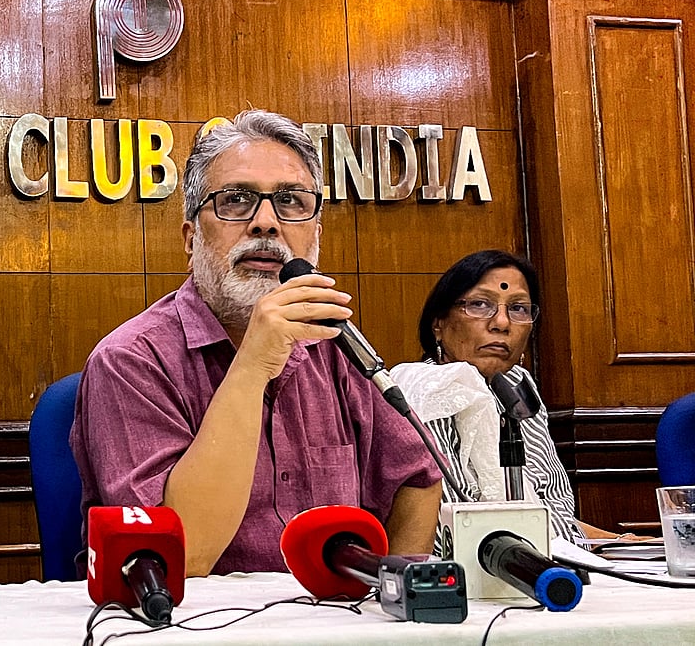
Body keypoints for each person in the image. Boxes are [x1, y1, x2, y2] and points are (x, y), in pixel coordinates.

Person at [70, 109, 443, 576]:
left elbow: (418, 478)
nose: (266, 223)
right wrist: (253, 365)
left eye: (289, 201)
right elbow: (181, 554)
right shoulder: (129, 361)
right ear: (191, 238)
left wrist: (395, 599)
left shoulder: (334, 344)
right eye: (236, 200)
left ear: (315, 235)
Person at [391, 249, 633, 546]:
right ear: (438, 323)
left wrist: (621, 542)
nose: (502, 323)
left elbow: (548, 515)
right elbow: (454, 524)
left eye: (518, 309)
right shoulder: (423, 392)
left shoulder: (516, 386)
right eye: (480, 305)